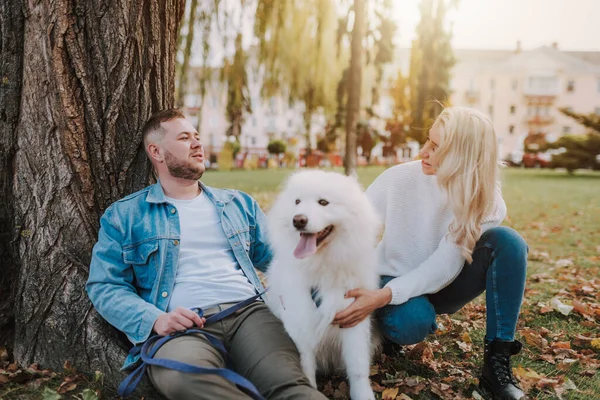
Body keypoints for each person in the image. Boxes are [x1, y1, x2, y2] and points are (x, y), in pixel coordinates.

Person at [86, 109, 326, 400]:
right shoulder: (125, 216)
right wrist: (153, 319)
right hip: (182, 328)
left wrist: (327, 296)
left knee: (289, 384)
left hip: (249, 313)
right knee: (181, 381)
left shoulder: (238, 204)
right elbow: (105, 286)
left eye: (197, 136)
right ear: (157, 152)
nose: (198, 144)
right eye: (185, 138)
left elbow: (283, 261)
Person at [333, 107, 529, 400]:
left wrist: (382, 298)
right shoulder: (398, 179)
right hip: (392, 275)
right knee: (411, 322)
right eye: (428, 141)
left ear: (463, 155)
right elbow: (351, 229)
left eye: (436, 147)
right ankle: (390, 326)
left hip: (446, 282)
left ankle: (495, 366)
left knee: (508, 242)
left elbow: (444, 265)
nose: (423, 151)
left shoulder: (486, 200)